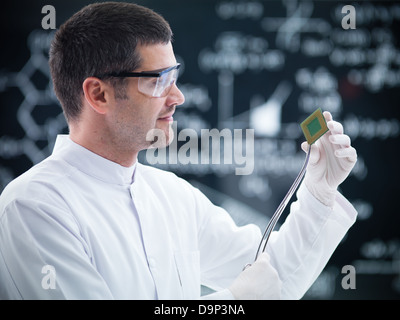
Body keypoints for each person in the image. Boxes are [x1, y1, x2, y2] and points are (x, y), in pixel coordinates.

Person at [0, 2, 358, 300]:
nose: (178, 98)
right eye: (158, 81)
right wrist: (232, 303)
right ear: (98, 94)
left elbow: (275, 278)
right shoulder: (35, 206)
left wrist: (318, 194)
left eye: (173, 78)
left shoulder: (172, 196)